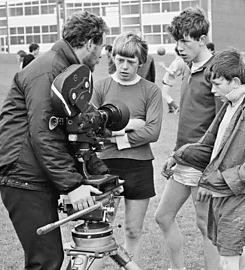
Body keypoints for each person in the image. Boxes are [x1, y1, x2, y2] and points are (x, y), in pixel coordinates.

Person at [0, 11, 110, 270]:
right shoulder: (48, 70)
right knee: (45, 262)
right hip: (23, 175)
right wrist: (72, 185)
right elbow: (44, 133)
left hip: (33, 172)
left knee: (49, 260)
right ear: (90, 43)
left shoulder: (65, 68)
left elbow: (72, 120)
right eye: (101, 46)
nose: (102, 54)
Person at [173, 48, 245, 270]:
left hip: (239, 195)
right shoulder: (230, 105)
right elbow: (209, 145)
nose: (212, 90)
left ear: (235, 81)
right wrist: (179, 156)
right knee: (232, 251)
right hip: (222, 194)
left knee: (227, 258)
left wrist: (224, 179)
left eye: (217, 84)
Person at [154, 7, 222, 270]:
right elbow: (188, 121)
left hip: (203, 164)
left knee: (206, 227)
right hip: (184, 159)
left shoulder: (216, 70)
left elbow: (221, 126)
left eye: (185, 41)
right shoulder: (188, 67)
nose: (179, 47)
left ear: (202, 40)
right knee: (163, 216)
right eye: (177, 41)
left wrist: (212, 172)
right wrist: (175, 154)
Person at [91, 32, 163, 266]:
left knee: (133, 230)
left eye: (131, 62)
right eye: (120, 59)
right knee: (101, 230)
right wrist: (132, 124)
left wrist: (114, 135)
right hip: (105, 166)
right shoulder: (100, 87)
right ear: (113, 57)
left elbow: (153, 132)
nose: (124, 66)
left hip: (139, 166)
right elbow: (93, 129)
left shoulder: (151, 91)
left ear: (140, 62)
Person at [158, 46, 187, 114]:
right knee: (166, 94)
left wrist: (164, 67)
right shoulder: (181, 61)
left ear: (176, 52)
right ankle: (170, 109)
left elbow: (172, 72)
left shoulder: (177, 62)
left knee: (165, 95)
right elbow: (179, 72)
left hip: (169, 80)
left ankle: (176, 107)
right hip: (171, 79)